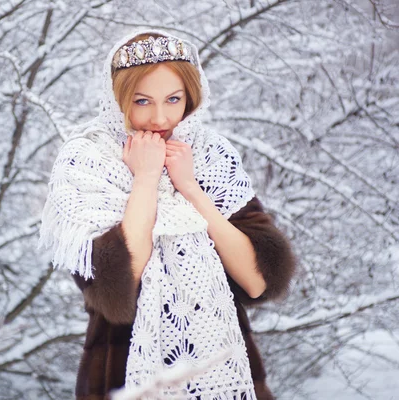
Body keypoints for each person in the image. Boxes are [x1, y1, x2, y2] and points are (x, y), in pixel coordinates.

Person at [39, 29, 296, 400]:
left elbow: (259, 282)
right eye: (142, 101)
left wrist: (190, 188)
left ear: (192, 98)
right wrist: (145, 179)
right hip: (121, 371)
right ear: (117, 99)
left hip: (223, 369)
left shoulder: (211, 156)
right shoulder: (87, 161)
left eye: (173, 99)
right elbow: (119, 285)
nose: (160, 117)